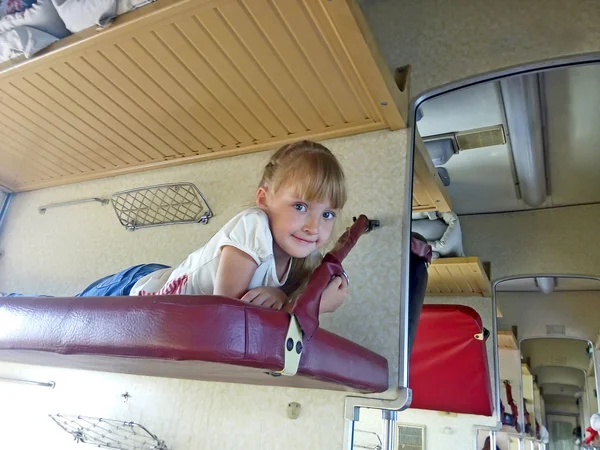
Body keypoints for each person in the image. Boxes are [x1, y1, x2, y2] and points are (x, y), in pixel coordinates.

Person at [4, 140, 349, 314]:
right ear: (263, 199)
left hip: (166, 278)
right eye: (300, 206)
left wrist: (282, 295)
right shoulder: (253, 225)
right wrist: (300, 304)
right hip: (137, 288)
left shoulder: (296, 261)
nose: (313, 226)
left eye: (328, 214)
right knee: (62, 310)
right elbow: (225, 311)